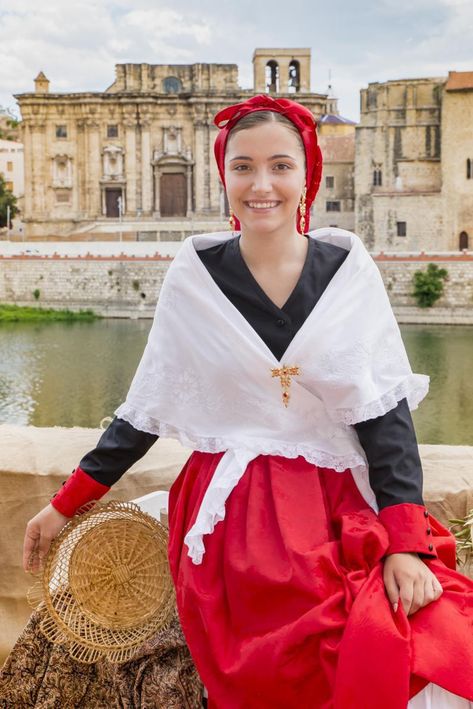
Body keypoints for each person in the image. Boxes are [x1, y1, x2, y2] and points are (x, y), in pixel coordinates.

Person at [23, 94, 473, 709]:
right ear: (224, 175)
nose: (261, 185)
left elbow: (381, 411)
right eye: (243, 167)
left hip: (337, 501)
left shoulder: (347, 268)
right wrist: (64, 504)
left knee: (411, 627)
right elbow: (148, 406)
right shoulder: (196, 270)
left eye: (281, 166)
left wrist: (404, 543)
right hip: (233, 511)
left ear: (307, 175)